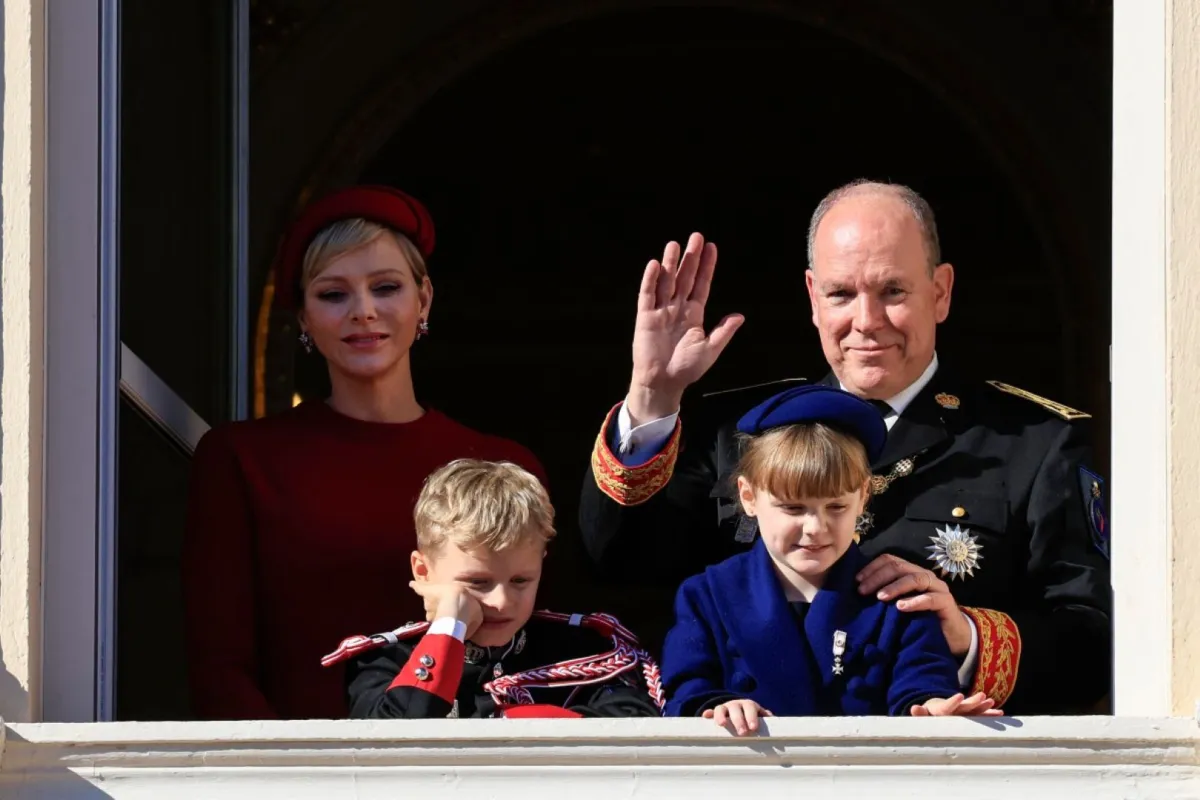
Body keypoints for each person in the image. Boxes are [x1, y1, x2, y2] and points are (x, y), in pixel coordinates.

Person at [581, 179, 1111, 715]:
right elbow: (621, 562)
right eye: (841, 294)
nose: (866, 321)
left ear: (940, 292)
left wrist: (965, 633)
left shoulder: (1035, 441)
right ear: (813, 296)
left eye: (893, 291)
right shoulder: (738, 430)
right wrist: (652, 395)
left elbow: (1093, 644)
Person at [183, 186, 545, 720]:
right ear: (303, 316)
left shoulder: (502, 465)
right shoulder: (242, 460)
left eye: (386, 287)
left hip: (467, 758)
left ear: (423, 299)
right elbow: (219, 670)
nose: (364, 311)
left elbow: (536, 655)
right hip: (294, 762)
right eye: (334, 294)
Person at [662, 385, 1002, 735]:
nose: (815, 528)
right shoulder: (707, 595)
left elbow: (922, 680)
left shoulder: (895, 598)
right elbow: (686, 689)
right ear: (749, 497)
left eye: (836, 507)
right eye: (793, 508)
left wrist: (931, 708)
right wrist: (717, 706)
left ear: (863, 496)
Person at [322, 459, 663, 719]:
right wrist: (449, 627)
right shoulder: (384, 661)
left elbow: (632, 727)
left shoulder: (585, 651)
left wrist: (507, 724)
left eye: (520, 581)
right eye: (477, 583)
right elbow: (396, 741)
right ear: (423, 572)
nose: (502, 601)